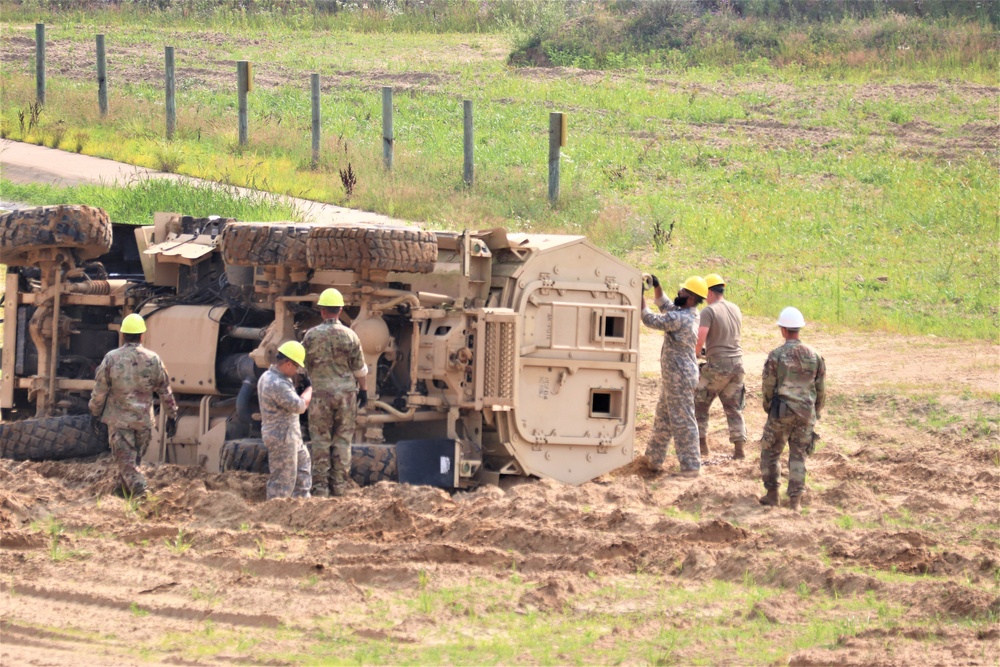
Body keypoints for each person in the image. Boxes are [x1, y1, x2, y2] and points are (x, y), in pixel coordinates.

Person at [89, 313, 178, 498]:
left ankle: (141, 493)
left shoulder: (111, 359)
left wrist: (94, 413)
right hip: (143, 423)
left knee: (127, 465)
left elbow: (100, 390)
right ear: (142, 335)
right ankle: (121, 497)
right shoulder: (153, 359)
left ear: (122, 335)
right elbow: (165, 390)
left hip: (119, 422)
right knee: (130, 463)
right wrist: (172, 416)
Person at [759, 307, 826, 511]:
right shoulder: (815, 355)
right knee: (799, 456)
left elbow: (768, 385)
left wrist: (768, 406)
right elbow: (820, 388)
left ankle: (772, 496)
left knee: (770, 453)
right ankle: (795, 501)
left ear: (783, 330)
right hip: (806, 414)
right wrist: (816, 411)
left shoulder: (777, 355)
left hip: (782, 411)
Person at [303, 288, 368, 497]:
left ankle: (320, 488)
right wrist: (364, 391)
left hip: (320, 394)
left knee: (320, 440)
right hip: (346, 395)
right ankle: (339, 487)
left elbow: (301, 366)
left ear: (322, 311)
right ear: (340, 310)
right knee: (342, 440)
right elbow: (360, 370)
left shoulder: (311, 336)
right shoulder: (351, 336)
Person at [640, 275, 707, 477]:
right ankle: (653, 460)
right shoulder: (684, 312)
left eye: (684, 292)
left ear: (692, 298)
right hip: (674, 378)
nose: (680, 292)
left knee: (683, 421)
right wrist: (657, 284)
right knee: (663, 419)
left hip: (679, 378)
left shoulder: (681, 318)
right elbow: (664, 304)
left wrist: (638, 294)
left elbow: (648, 318)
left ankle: (691, 467)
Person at [694, 273, 747, 459]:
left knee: (699, 403)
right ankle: (739, 450)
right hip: (738, 364)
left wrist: (695, 354)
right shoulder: (735, 308)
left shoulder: (708, 311)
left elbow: (699, 340)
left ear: (708, 292)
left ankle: (702, 447)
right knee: (734, 408)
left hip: (718, 364)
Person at [257, 340, 313, 500]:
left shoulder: (273, 377)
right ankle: (273, 517)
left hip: (291, 436)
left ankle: (301, 509)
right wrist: (309, 389)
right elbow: (300, 406)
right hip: (282, 438)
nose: (296, 371)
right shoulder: (275, 383)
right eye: (296, 367)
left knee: (302, 472)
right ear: (288, 363)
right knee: (283, 482)